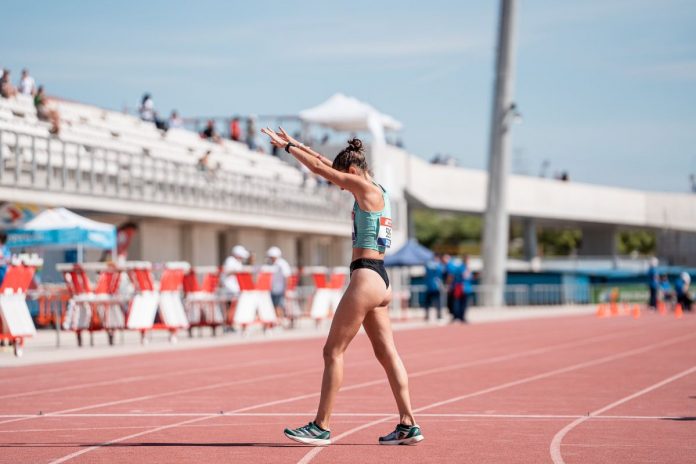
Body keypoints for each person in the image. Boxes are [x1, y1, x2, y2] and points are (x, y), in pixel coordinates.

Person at [262, 127, 424, 446]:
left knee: (332, 351)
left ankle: (321, 425)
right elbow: (324, 162)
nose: (339, 186)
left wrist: (287, 150)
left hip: (364, 277)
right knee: (386, 352)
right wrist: (296, 143)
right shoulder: (378, 188)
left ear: (352, 172)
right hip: (380, 279)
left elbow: (322, 169)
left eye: (343, 179)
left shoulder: (363, 187)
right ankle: (408, 423)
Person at [266, 246, 293, 326]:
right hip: (272, 289)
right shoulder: (271, 264)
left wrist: (287, 289)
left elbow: (287, 277)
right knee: (273, 306)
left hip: (280, 289)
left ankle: (280, 321)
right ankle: (277, 321)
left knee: (279, 306)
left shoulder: (282, 264)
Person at [422, 254, 444, 321]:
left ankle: (427, 316)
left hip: (429, 286)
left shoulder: (428, 265)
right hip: (436, 286)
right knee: (438, 302)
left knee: (427, 302)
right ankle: (439, 316)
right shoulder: (439, 265)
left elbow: (425, 274)